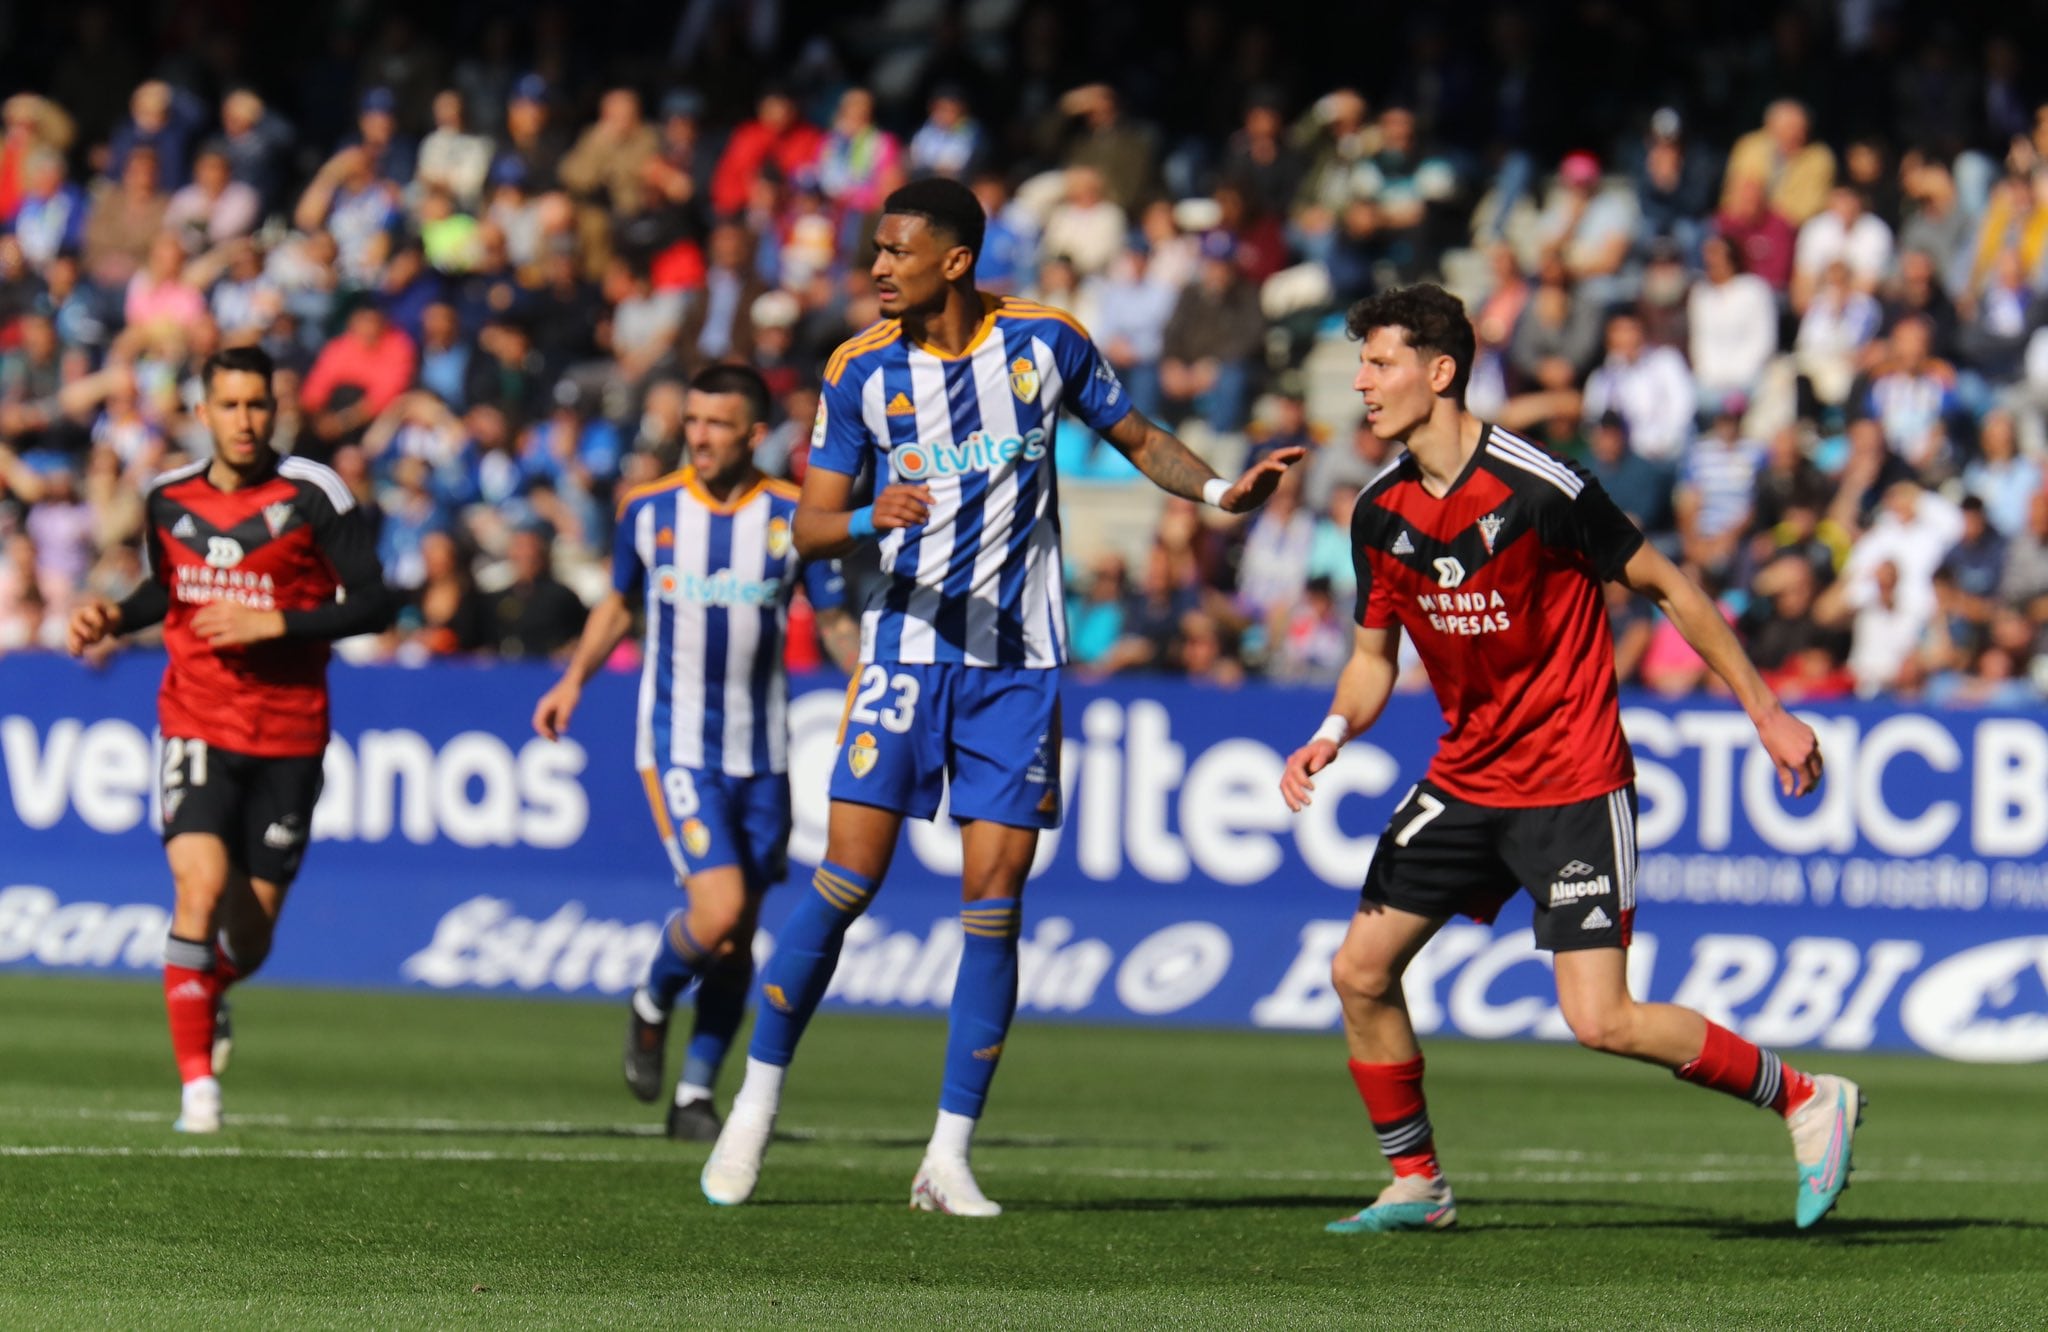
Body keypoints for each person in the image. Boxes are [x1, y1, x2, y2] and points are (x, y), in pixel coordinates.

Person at [699, 177, 1299, 1216]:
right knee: (847, 880)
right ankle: (753, 1106)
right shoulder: (857, 371)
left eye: (896, 251)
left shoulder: (1046, 344)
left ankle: (946, 1157)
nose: (876, 266)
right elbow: (808, 529)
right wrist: (867, 518)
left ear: (955, 260)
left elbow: (1136, 436)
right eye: (875, 249)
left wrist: (1217, 494)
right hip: (901, 654)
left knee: (994, 908)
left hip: (1016, 665)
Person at [1277, 285, 1855, 1237]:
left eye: (1380, 363)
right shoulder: (1379, 512)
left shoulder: (1541, 485)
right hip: (1465, 778)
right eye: (1363, 363)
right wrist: (1333, 732)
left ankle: (1804, 1098)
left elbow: (1668, 585)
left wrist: (1768, 712)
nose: (1362, 382)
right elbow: (1373, 659)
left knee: (1603, 1022)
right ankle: (1417, 1183)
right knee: (1359, 972)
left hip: (1573, 781)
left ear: (1441, 371)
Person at [63, 345, 392, 1133]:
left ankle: (212, 993)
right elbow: (165, 590)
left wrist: (276, 621)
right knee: (196, 891)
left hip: (289, 732)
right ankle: (198, 1093)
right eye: (231, 405)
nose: (245, 420)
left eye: (258, 405)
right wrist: (113, 614)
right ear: (202, 413)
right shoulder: (166, 496)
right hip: (196, 717)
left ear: (272, 411)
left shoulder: (314, 494)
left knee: (250, 936)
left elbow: (377, 603)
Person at [533, 363, 857, 1139]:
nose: (700, 436)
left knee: (740, 934)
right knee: (715, 912)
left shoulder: (794, 516)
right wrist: (572, 681)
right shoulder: (647, 510)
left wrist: (864, 688)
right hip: (677, 744)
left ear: (754, 435)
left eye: (718, 424)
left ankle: (695, 1096)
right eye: (693, 421)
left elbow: (838, 618)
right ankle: (651, 999)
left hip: (765, 754)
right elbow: (620, 600)